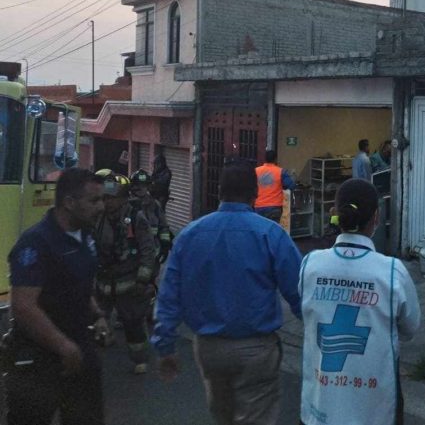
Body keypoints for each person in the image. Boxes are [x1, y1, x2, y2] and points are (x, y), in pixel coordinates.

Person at [152, 161, 303, 425]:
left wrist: (165, 345)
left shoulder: (191, 234)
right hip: (257, 349)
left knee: (222, 415)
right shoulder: (271, 234)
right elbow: (298, 290)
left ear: (219, 192)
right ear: (254, 193)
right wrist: (316, 329)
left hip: (209, 349)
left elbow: (169, 293)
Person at [299, 179, 420, 425]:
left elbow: (306, 313)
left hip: (319, 408)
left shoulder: (310, 264)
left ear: (335, 213)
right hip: (376, 412)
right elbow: (410, 328)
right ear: (376, 218)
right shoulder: (392, 272)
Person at [4, 169, 107, 425]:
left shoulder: (86, 236)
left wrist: (97, 314)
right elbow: (23, 306)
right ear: (69, 202)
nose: (102, 207)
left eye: (102, 199)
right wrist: (62, 345)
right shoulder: (36, 242)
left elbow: (79, 283)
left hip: (79, 349)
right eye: (94, 200)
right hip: (38, 358)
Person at [94, 171, 157, 374]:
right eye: (104, 198)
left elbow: (147, 249)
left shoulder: (136, 218)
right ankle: (102, 344)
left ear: (123, 198)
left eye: (111, 198)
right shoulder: (98, 218)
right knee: (96, 318)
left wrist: (143, 279)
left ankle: (140, 359)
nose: (107, 202)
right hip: (103, 280)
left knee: (132, 322)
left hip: (128, 281)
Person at [130, 168, 173, 276]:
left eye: (144, 185)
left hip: (153, 252)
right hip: (132, 252)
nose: (141, 188)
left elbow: (163, 226)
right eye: (138, 185)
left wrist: (165, 244)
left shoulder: (154, 205)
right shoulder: (127, 205)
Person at [255, 150, 296, 223]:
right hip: (274, 207)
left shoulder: (256, 171)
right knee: (272, 228)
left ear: (265, 159)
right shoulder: (281, 171)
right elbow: (291, 185)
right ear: (275, 159)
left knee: (260, 227)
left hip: (259, 206)